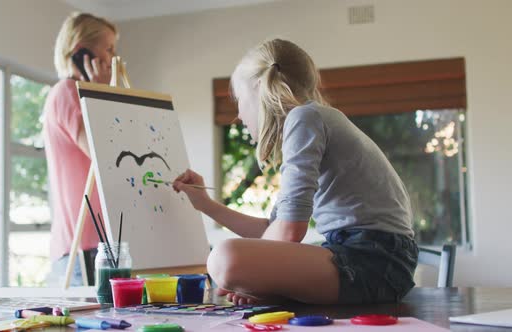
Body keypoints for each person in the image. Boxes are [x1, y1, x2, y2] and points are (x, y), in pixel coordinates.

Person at [173, 39, 418, 305]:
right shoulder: (311, 120)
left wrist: (251, 270)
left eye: (240, 101)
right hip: (372, 257)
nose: (239, 116)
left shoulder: (304, 118)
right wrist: (205, 205)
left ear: (259, 89)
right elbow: (273, 229)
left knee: (223, 257)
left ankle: (271, 290)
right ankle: (275, 293)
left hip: (375, 260)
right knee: (229, 259)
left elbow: (289, 232)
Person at [43, 12, 118, 286]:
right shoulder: (67, 91)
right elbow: (107, 153)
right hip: (83, 244)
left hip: (97, 243)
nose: (112, 58)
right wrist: (99, 93)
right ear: (80, 51)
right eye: (108, 49)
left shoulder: (80, 93)